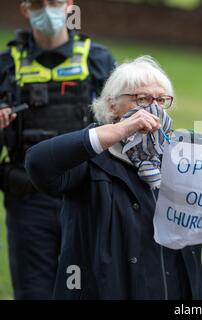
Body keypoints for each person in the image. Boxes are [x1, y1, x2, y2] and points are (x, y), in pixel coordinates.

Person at [24, 56, 202, 299]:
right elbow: (38, 163)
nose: (153, 108)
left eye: (161, 100)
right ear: (112, 106)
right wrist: (121, 130)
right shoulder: (89, 155)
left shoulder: (180, 150)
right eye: (141, 99)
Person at [0, 0, 116, 299]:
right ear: (25, 9)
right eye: (38, 4)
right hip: (27, 200)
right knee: (34, 292)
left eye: (53, 2)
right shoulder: (6, 65)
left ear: (68, 5)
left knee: (86, 290)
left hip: (85, 197)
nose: (47, 10)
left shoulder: (98, 60)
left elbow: (121, 127)